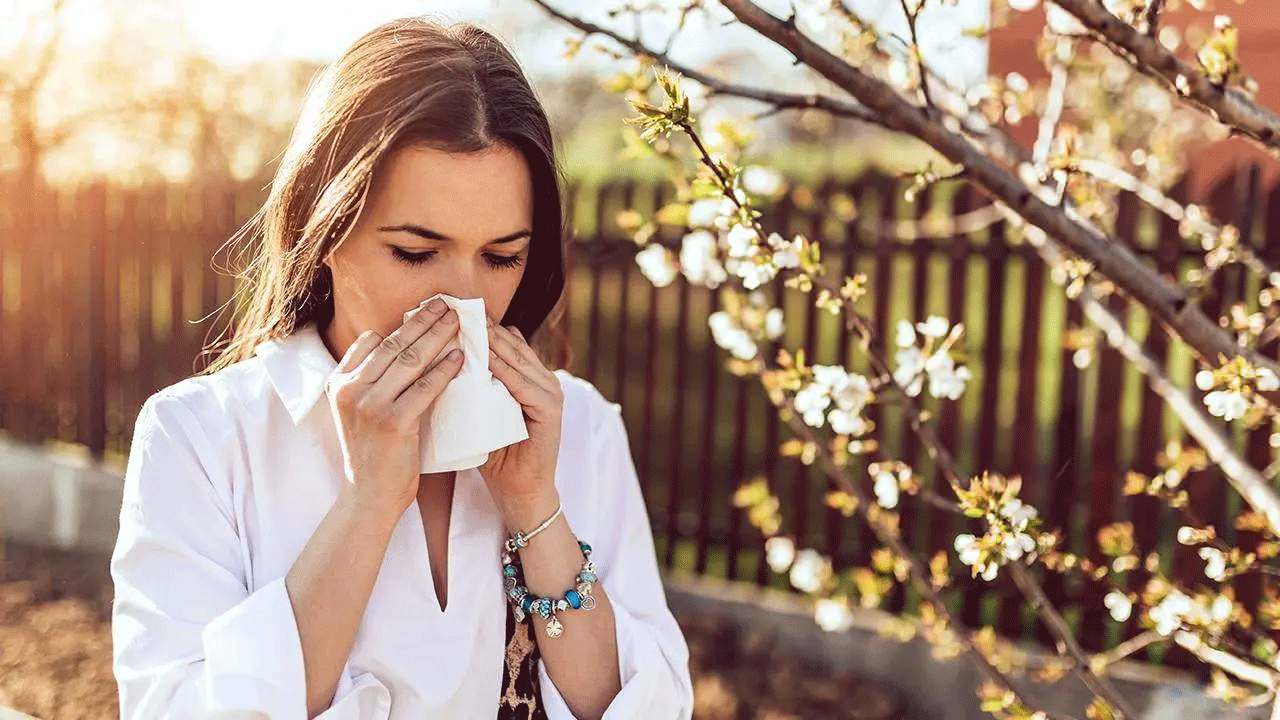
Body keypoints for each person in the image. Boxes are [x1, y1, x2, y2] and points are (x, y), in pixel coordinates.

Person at [108, 15, 694, 720]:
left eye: (502, 256)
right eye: (416, 253)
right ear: (320, 232)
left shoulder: (584, 429)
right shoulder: (201, 438)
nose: (464, 299)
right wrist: (367, 507)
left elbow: (647, 708)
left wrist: (536, 507)